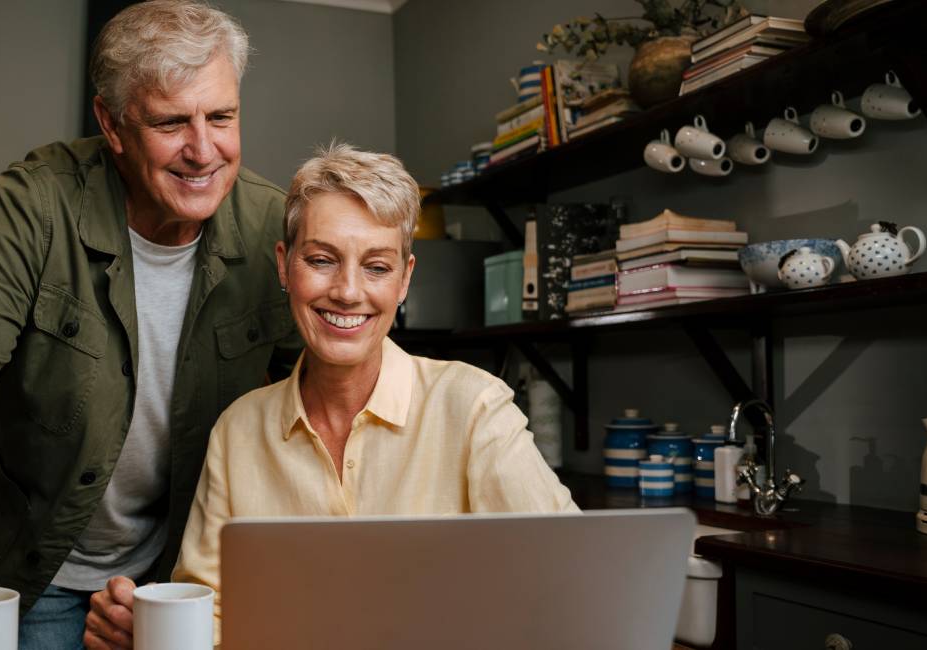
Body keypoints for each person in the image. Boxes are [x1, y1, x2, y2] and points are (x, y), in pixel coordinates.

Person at [0, 2, 298, 648]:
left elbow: (323, 402)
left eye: (222, 117)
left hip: (181, 576)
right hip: (33, 566)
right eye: (171, 122)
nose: (203, 151)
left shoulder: (274, 228)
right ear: (112, 123)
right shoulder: (32, 207)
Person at [83, 143, 578, 649]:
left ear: (405, 279)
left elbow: (572, 583)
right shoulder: (238, 432)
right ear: (284, 265)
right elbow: (210, 616)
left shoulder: (474, 410)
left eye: (377, 267)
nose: (346, 291)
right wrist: (147, 630)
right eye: (321, 260)